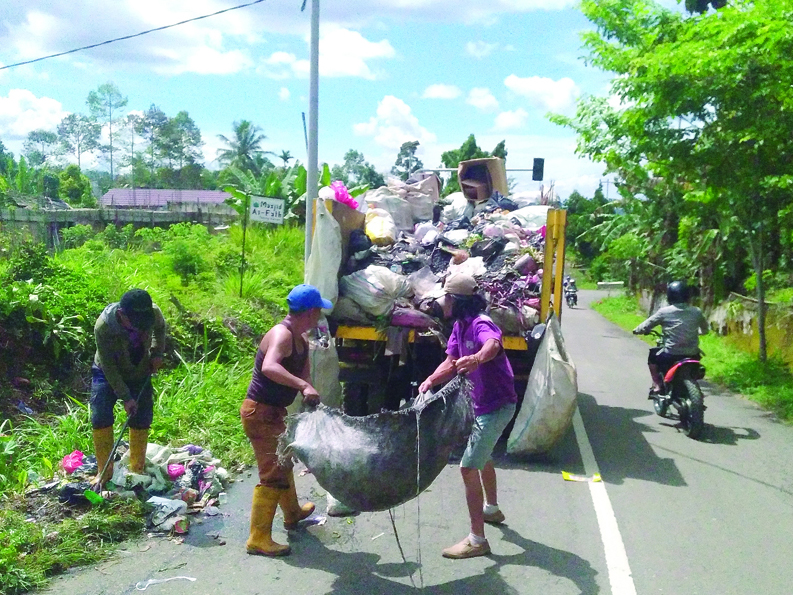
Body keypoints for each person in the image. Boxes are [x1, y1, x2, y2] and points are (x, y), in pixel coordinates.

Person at [419, 272, 518, 560]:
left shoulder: (480, 324)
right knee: (483, 455)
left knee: (467, 467)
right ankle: (492, 509)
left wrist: (476, 358)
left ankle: (477, 539)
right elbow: (450, 362)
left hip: (497, 406)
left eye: (447, 298)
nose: (444, 303)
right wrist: (430, 380)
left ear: (457, 300)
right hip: (481, 404)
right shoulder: (460, 327)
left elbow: (493, 345)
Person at [241, 284, 330, 557]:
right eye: (319, 313)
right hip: (259, 412)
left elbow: (306, 377)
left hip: (274, 412)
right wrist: (303, 385)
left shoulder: (301, 340)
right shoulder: (281, 334)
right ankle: (258, 538)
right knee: (272, 474)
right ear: (311, 312)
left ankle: (292, 514)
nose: (320, 318)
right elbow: (270, 367)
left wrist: (311, 398)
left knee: (283, 462)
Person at [91, 288, 166, 484]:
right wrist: (126, 397)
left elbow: (160, 328)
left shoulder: (153, 313)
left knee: (142, 416)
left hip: (139, 369)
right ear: (122, 314)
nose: (141, 328)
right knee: (100, 415)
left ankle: (137, 469)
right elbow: (109, 367)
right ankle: (104, 473)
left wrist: (157, 353)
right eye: (135, 324)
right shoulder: (104, 327)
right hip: (108, 373)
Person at [633, 281, 709, 395]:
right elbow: (705, 330)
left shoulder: (664, 312)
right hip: (692, 354)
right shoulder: (696, 311)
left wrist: (637, 330)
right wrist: (696, 332)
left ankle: (657, 384)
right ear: (688, 296)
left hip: (670, 354)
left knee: (652, 357)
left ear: (670, 296)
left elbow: (647, 325)